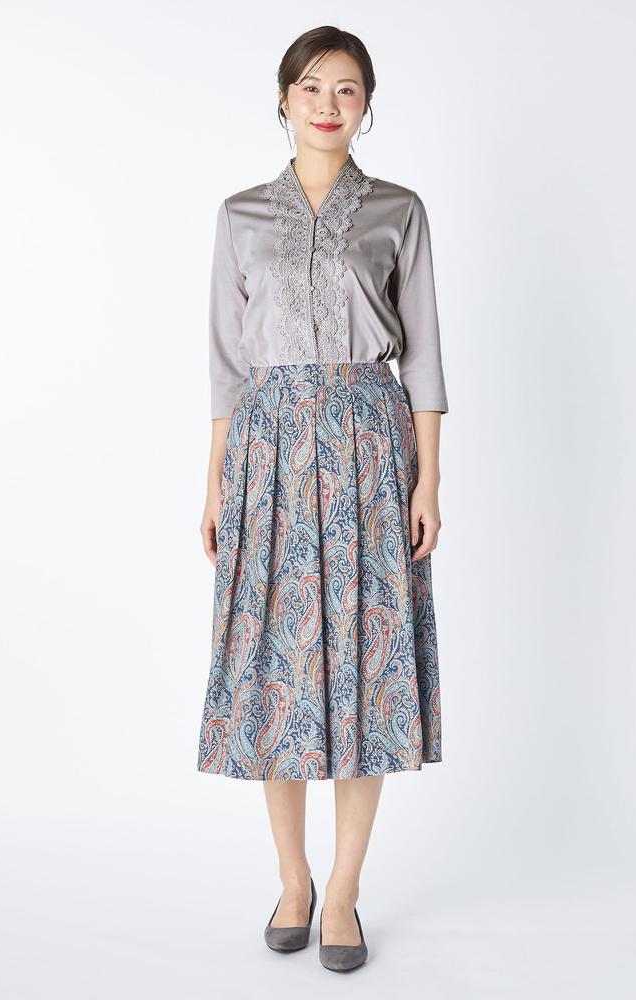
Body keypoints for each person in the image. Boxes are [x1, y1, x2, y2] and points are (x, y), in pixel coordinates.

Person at [196, 25, 449, 973]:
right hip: (265, 454)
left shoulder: (398, 210)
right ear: (283, 98)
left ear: (367, 104)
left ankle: (343, 890)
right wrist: (214, 480)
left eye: (346, 88)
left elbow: (424, 356)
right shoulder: (240, 216)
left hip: (370, 451)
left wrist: (430, 480)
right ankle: (293, 879)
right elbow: (226, 364)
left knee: (366, 666)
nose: (328, 104)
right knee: (280, 667)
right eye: (310, 86)